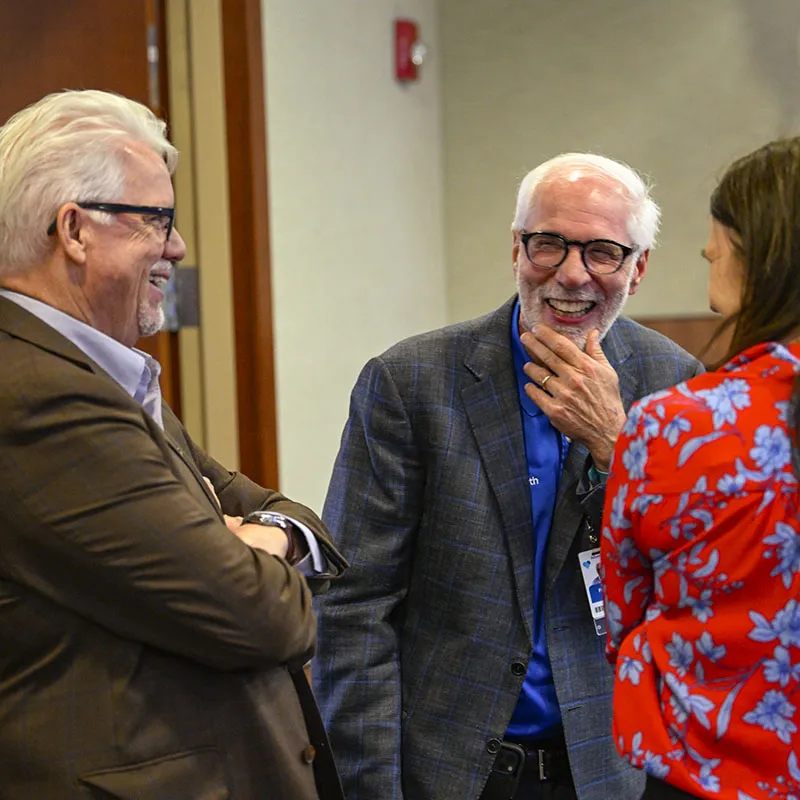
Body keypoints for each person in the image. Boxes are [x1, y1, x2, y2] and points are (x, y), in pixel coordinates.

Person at [314, 152, 703, 800]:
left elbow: (693, 583)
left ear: (638, 270)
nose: (572, 275)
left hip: (606, 773)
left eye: (603, 252)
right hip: (450, 773)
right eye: (549, 244)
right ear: (516, 250)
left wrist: (617, 446)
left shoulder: (675, 384)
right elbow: (353, 609)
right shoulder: (412, 383)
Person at [0, 89, 347, 800]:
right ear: (74, 229)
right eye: (158, 219)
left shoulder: (97, 373)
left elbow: (288, 515)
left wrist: (264, 538)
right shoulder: (43, 395)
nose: (178, 247)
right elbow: (266, 618)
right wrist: (243, 551)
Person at [601, 137, 800, 800]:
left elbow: (624, 618)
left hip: (708, 775)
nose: (708, 253)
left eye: (718, 240)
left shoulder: (675, 425)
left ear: (758, 256)